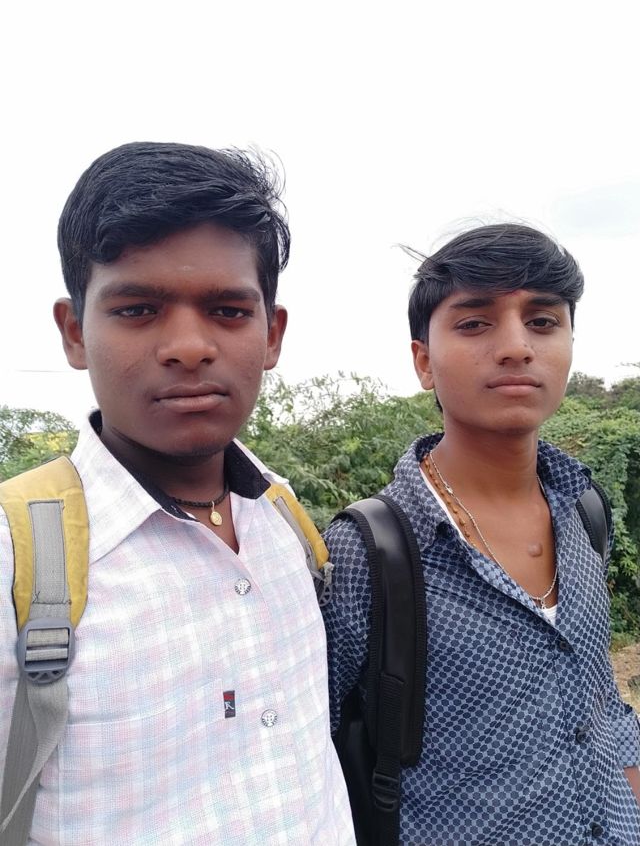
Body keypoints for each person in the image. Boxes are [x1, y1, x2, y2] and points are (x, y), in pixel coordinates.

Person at [0, 142, 355, 845]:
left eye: (227, 310)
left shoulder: (285, 519)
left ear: (272, 334)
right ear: (74, 332)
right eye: (138, 309)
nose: (189, 346)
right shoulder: (19, 557)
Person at [323, 223, 640, 846]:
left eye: (543, 322)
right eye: (474, 323)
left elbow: (598, 694)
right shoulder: (369, 552)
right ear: (423, 361)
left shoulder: (584, 509)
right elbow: (307, 749)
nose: (517, 347)